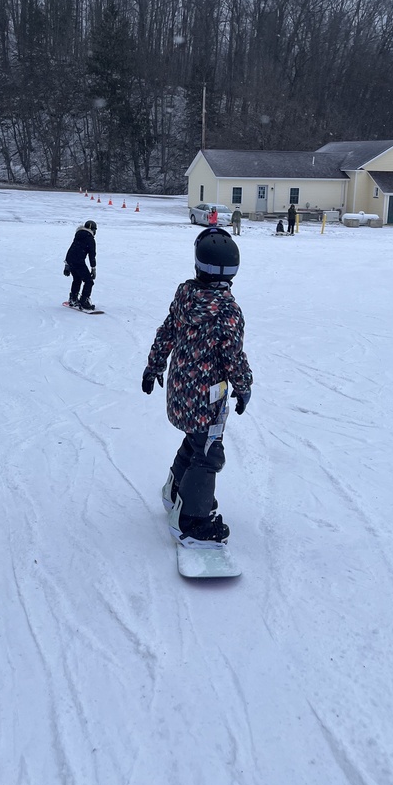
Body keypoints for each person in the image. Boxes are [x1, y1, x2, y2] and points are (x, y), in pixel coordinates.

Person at [142, 227, 253, 549]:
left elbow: (167, 332)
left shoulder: (185, 295)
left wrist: (154, 365)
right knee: (208, 452)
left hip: (180, 389)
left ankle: (177, 491)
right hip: (207, 396)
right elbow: (232, 356)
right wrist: (244, 385)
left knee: (197, 440)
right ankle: (192, 521)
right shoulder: (227, 310)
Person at [64, 220, 97, 310]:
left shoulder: (78, 236)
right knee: (89, 281)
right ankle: (84, 301)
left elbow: (71, 249)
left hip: (71, 260)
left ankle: (73, 299)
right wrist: (93, 268)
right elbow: (92, 255)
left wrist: (67, 264)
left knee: (77, 279)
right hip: (78, 262)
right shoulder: (90, 239)